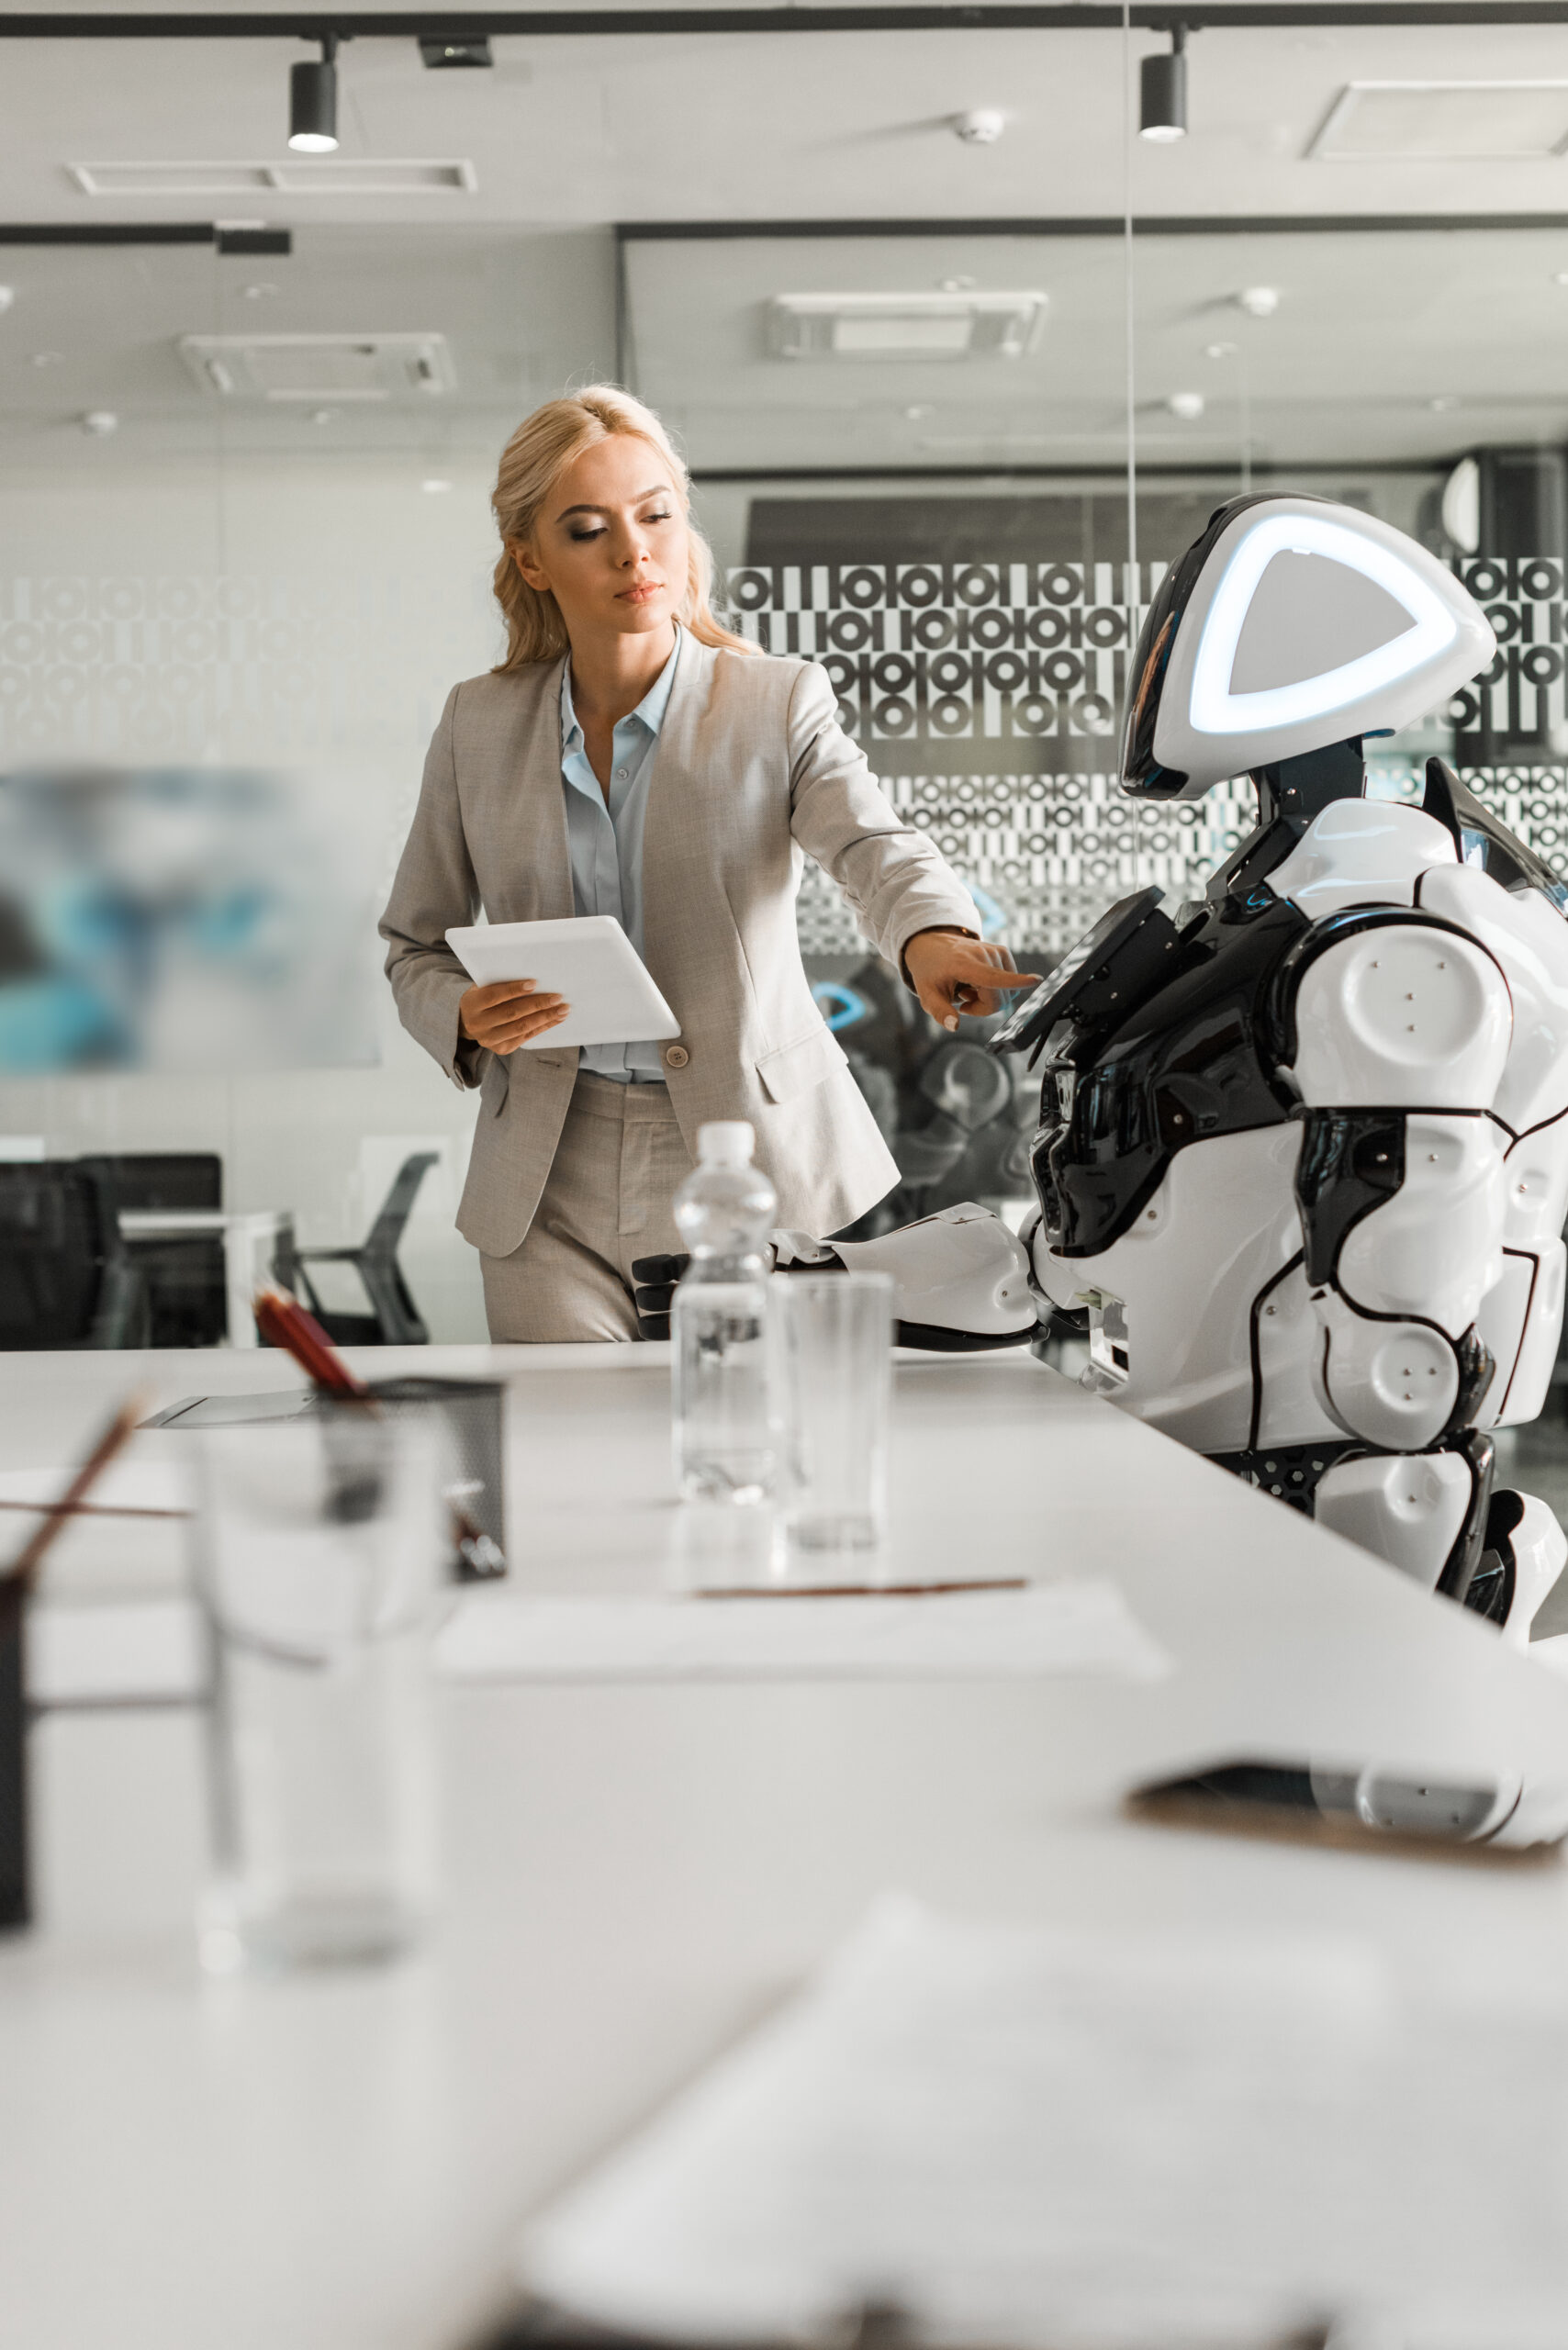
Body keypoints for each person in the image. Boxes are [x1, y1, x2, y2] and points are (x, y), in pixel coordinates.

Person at [379, 385, 1039, 1341]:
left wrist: (935, 935)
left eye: (655, 515)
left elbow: (871, 846)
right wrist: (461, 1013)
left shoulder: (775, 702)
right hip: (543, 1181)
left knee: (739, 1459)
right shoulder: (476, 724)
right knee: (576, 1470)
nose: (633, 550)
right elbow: (414, 942)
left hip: (748, 1160)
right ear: (530, 559)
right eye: (586, 529)